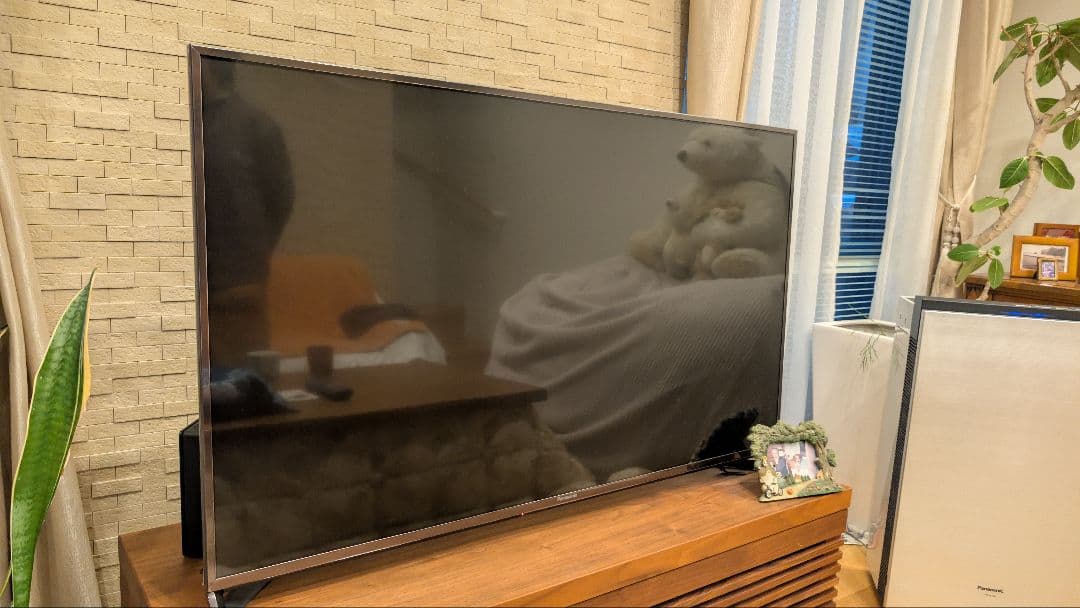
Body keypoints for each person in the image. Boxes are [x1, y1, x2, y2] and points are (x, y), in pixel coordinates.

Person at [201, 58, 295, 368]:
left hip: (237, 282)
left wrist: (251, 251)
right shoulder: (183, 122)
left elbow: (281, 198)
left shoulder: (256, 125)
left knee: (246, 381)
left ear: (207, 67)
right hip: (189, 286)